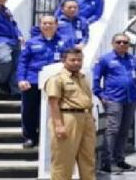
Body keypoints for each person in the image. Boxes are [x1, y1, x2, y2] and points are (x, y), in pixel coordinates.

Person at [92, 33, 136, 174]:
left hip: (131, 100)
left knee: (124, 131)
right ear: (113, 43)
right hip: (113, 99)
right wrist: (100, 95)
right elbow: (96, 78)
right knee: (113, 129)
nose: (122, 44)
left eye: (125, 42)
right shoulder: (105, 59)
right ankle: (106, 163)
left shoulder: (135, 60)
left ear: (128, 45)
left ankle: (120, 160)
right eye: (119, 42)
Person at [17, 15, 72, 148]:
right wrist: (21, 79)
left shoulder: (65, 42)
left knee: (54, 110)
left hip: (56, 82)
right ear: (40, 25)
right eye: (44, 23)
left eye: (51, 23)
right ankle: (30, 137)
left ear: (56, 25)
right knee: (29, 111)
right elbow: (22, 62)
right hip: (32, 81)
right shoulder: (31, 42)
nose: (47, 26)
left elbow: (71, 60)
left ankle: (47, 138)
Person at [45, 48, 96, 180]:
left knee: (88, 159)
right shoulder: (57, 79)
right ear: (63, 60)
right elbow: (53, 103)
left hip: (85, 118)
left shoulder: (83, 78)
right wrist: (58, 125)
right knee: (63, 160)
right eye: (72, 60)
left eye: (79, 60)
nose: (76, 63)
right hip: (67, 118)